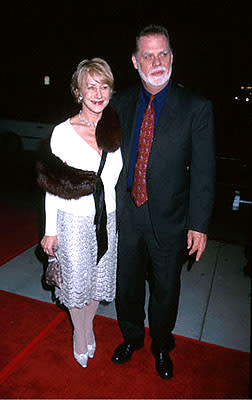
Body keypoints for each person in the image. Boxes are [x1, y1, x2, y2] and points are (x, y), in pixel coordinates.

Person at [111, 25, 215, 379]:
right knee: (126, 285)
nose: (157, 61)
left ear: (172, 55)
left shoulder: (196, 107)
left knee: (166, 289)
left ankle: (161, 346)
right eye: (148, 55)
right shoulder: (119, 102)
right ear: (135, 61)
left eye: (163, 53)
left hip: (171, 218)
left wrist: (199, 224)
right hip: (125, 213)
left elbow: (204, 171)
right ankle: (132, 337)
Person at [37, 58, 122, 368]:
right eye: (90, 86)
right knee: (76, 282)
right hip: (72, 220)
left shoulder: (114, 127)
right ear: (78, 92)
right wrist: (50, 230)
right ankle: (80, 332)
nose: (97, 93)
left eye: (104, 86)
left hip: (107, 218)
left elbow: (113, 181)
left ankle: (89, 326)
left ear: (111, 91)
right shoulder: (63, 132)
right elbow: (52, 185)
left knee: (98, 280)